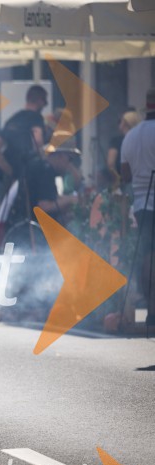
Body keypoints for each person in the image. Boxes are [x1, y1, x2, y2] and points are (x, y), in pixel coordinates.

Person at [121, 88, 155, 329]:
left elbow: (125, 175)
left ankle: (151, 309)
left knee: (147, 257)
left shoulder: (131, 136)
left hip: (142, 203)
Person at [0, 85, 49, 198]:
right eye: (45, 101)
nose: (45, 105)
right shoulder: (36, 118)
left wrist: (10, 172)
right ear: (40, 100)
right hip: (20, 178)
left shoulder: (13, 119)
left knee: (4, 214)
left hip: (0, 178)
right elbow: (38, 142)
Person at [107, 110, 141, 184]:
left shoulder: (117, 141)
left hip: (125, 182)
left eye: (121, 121)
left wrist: (117, 179)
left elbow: (110, 163)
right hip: (140, 181)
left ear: (125, 123)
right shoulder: (141, 140)